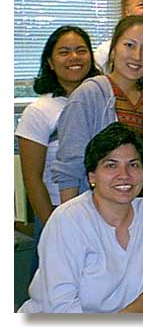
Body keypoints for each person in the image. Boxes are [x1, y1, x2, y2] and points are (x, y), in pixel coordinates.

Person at [18, 122, 143, 313]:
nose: (124, 175)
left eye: (133, 165)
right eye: (111, 165)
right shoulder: (68, 220)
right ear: (92, 177)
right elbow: (62, 304)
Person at [15, 26, 101, 275]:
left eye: (81, 50)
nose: (74, 57)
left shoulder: (102, 98)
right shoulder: (40, 111)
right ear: (50, 63)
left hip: (103, 211)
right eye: (64, 52)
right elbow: (32, 179)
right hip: (56, 210)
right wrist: (54, 224)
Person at [53, 15, 143, 203]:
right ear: (113, 50)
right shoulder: (89, 95)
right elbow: (69, 168)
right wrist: (70, 219)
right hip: (96, 211)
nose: (137, 56)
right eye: (129, 45)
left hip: (141, 210)